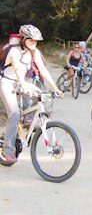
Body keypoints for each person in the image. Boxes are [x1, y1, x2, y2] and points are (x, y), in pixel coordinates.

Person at [0, 24, 64, 163]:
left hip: (20, 83)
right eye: (31, 40)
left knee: (42, 95)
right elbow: (17, 70)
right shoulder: (14, 52)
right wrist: (24, 86)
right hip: (7, 83)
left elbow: (43, 70)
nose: (34, 43)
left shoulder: (34, 52)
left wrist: (55, 88)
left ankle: (28, 121)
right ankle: (8, 150)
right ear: (23, 39)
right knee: (15, 114)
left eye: (36, 41)